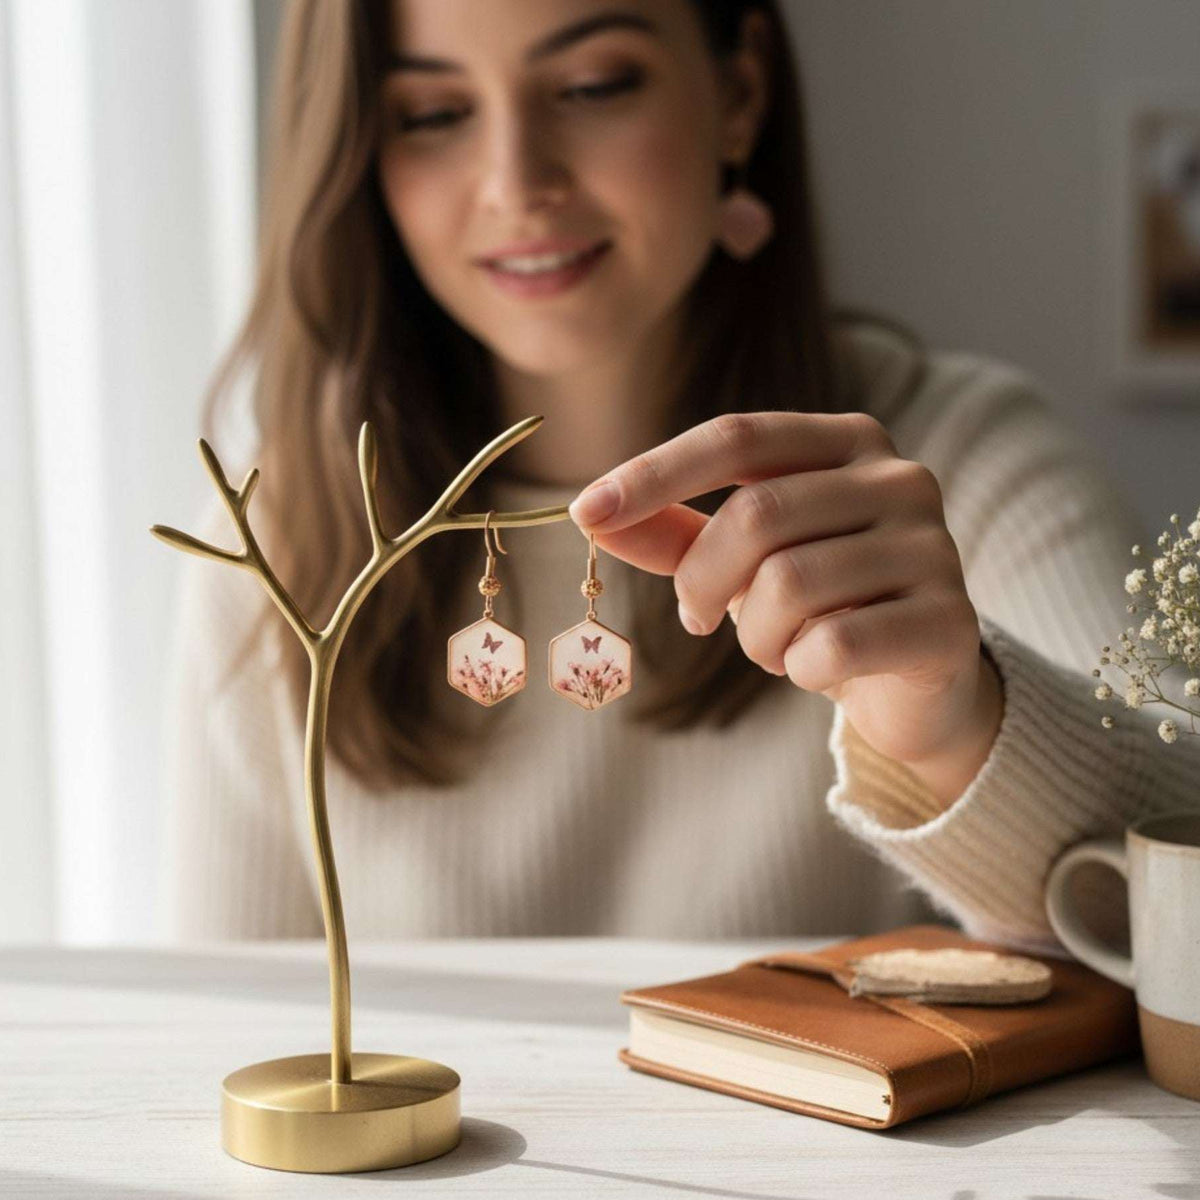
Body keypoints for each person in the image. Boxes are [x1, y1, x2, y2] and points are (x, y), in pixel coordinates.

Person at [161, 0, 1199, 950]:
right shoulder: (275, 530)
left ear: (739, 92)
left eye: (593, 86)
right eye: (433, 112)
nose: (517, 182)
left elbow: (1173, 869)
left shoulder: (963, 462)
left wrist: (960, 722)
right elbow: (233, 1037)